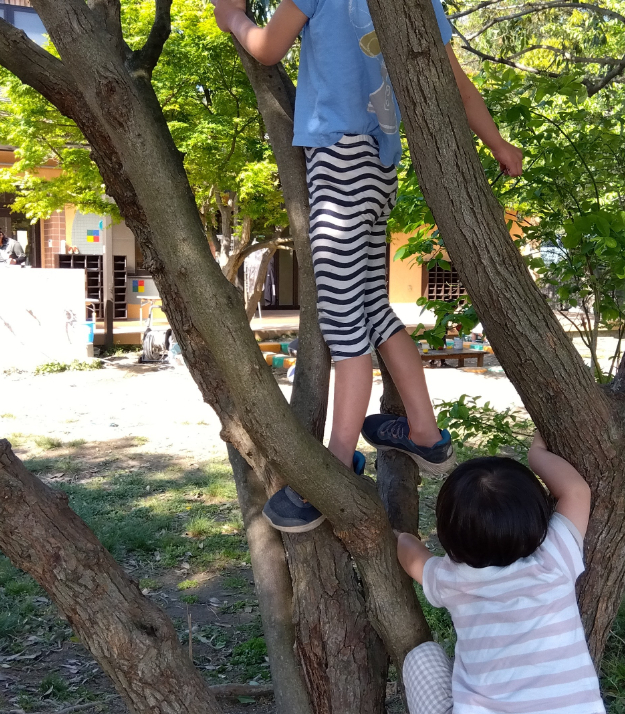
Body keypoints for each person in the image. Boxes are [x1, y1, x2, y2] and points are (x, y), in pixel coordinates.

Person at [212, 0, 525, 532]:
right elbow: (459, 85)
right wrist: (499, 143)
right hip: (381, 164)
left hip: (337, 161)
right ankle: (425, 432)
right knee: (372, 306)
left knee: (340, 319)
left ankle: (335, 465)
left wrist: (232, 18)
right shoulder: (421, 3)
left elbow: (268, 48)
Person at [395, 434, 603, 714]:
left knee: (422, 657)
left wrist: (398, 535)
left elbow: (410, 556)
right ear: (538, 518)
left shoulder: (452, 580)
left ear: (448, 534)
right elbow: (576, 492)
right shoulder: (554, 558)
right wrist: (536, 455)